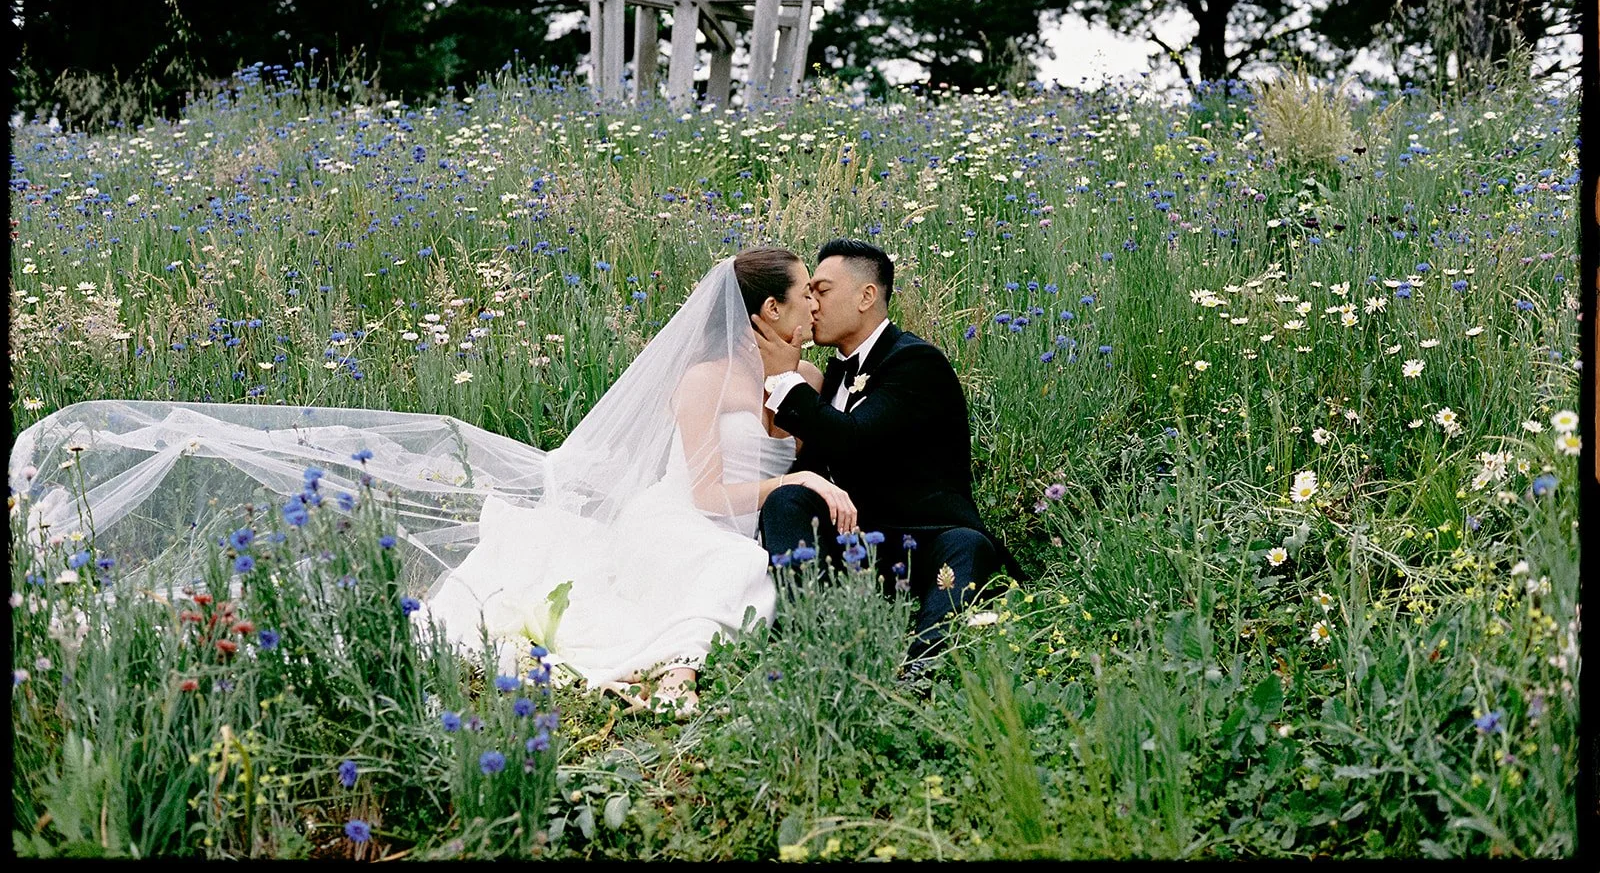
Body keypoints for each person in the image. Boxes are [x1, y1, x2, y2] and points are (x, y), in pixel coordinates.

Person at [7, 247, 846, 719]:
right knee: (730, 564)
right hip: (688, 516)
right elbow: (703, 494)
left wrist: (809, 471)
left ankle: (668, 666)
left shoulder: (808, 376)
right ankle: (670, 672)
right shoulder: (705, 379)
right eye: (802, 295)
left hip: (748, 514)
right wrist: (797, 481)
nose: (814, 304)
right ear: (765, 311)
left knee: (740, 561)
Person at [752, 238, 1022, 669]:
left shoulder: (915, 362)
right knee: (788, 499)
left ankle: (923, 666)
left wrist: (784, 378)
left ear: (866, 296)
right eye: (809, 293)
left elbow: (853, 438)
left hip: (921, 540)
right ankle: (814, 637)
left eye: (822, 291)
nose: (813, 305)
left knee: (966, 545)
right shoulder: (833, 373)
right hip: (854, 543)